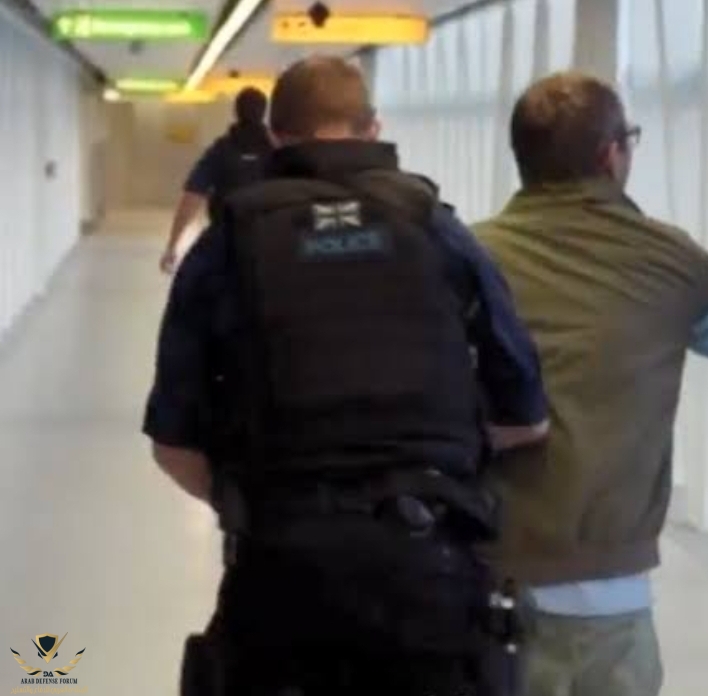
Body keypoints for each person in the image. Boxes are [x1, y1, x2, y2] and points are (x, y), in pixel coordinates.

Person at [143, 56, 549, 696]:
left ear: (276, 137)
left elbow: (173, 443)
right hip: (429, 569)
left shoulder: (228, 243)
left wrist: (252, 501)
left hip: (281, 572)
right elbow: (527, 415)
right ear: (374, 128)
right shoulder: (437, 229)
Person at [474, 72, 708, 696]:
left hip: (491, 572)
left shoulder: (472, 254)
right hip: (610, 590)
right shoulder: (667, 255)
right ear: (612, 155)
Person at [159, 87, 275, 274]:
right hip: (268, 242)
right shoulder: (277, 150)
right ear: (264, 112)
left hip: (224, 241)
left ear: (236, 111)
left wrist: (172, 246)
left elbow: (192, 196)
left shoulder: (221, 150)